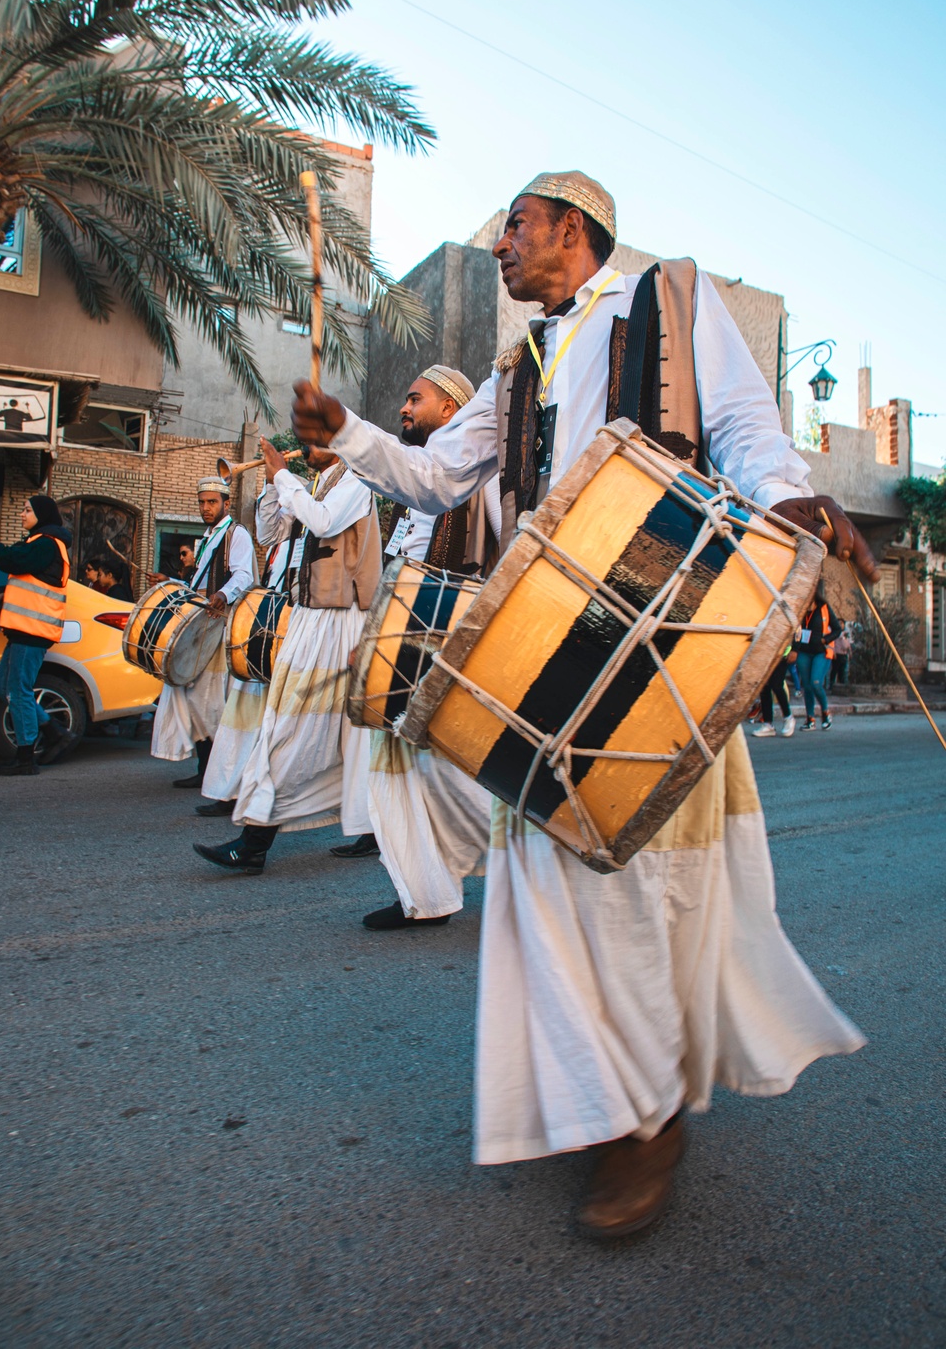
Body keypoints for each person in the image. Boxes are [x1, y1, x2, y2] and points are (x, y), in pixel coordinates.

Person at [290, 168, 878, 1237]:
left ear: (574, 226)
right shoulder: (513, 367)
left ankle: (645, 1118)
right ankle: (606, 1100)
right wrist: (348, 434)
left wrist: (790, 499)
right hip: (537, 649)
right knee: (550, 880)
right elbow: (433, 478)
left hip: (654, 631)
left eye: (515, 224)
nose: (504, 243)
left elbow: (745, 429)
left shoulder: (673, 301)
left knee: (630, 879)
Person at [193, 443, 382, 875]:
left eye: (312, 438)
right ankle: (260, 840)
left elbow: (324, 520)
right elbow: (269, 533)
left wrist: (282, 476)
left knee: (297, 731)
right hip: (311, 618)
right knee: (303, 732)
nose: (304, 448)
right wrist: (270, 482)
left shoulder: (356, 482)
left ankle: (257, 842)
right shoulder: (316, 484)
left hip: (340, 623)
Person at [359, 364, 501, 929]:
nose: (404, 409)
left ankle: (527, 857)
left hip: (451, 646)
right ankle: (425, 892)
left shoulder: (480, 478)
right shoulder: (414, 490)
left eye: (415, 399)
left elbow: (509, 552)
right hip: (406, 643)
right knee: (402, 765)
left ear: (451, 410)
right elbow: (402, 565)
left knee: (451, 769)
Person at [195, 440, 300, 819]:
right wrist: (272, 482)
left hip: (293, 623)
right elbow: (267, 530)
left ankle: (261, 799)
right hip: (267, 621)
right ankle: (231, 791)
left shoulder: (317, 513)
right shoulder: (284, 525)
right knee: (242, 714)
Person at [151, 475, 256, 789]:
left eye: (212, 502)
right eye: (202, 502)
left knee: (209, 698)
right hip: (198, 624)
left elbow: (244, 575)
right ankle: (204, 767)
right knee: (190, 692)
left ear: (226, 503)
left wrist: (223, 594)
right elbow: (199, 584)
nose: (206, 507)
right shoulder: (208, 536)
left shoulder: (236, 534)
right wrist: (171, 581)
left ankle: (216, 769)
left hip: (219, 626)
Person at [0, 494, 75, 775]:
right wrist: (5, 593)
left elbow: (8, 559)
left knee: (18, 690)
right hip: (22, 631)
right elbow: (29, 576)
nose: (22, 514)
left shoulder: (46, 544)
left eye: (27, 510)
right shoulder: (39, 543)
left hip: (32, 631)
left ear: (42, 514)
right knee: (6, 688)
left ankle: (26, 758)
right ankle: (54, 731)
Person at [796, 586, 839, 731]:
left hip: (821, 652)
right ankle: (810, 719)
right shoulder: (800, 610)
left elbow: (837, 629)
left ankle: (826, 713)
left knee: (815, 683)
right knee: (807, 686)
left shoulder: (824, 608)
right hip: (804, 652)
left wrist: (825, 640)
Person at [751, 651, 796, 738]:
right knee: (764, 686)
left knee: (777, 685)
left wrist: (795, 650)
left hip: (782, 652)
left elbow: (795, 636)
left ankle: (788, 717)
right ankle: (768, 724)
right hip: (766, 652)